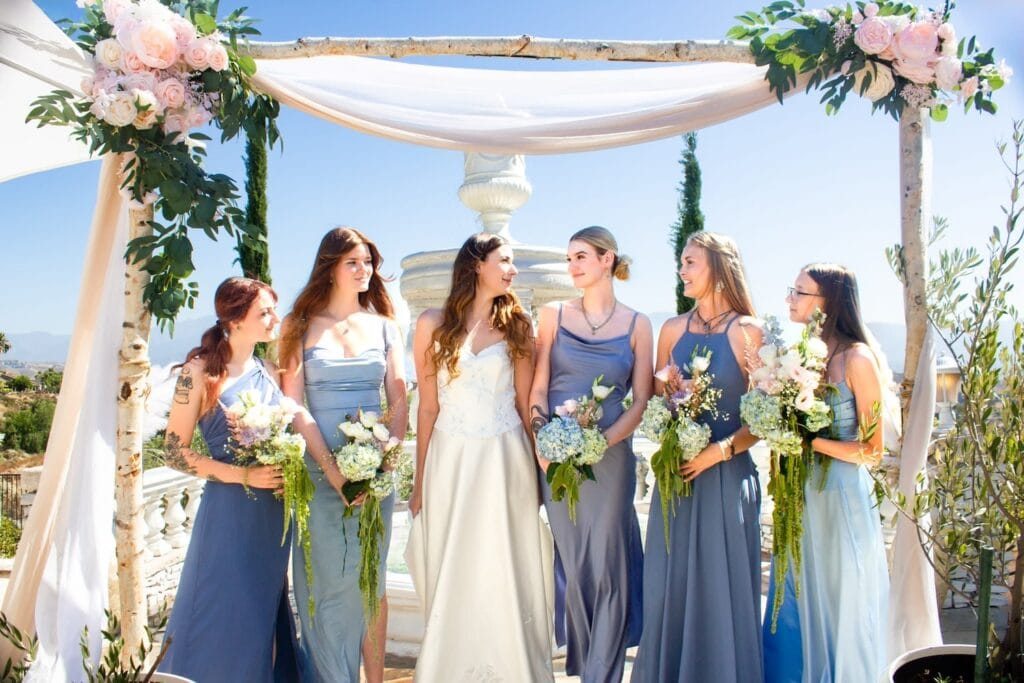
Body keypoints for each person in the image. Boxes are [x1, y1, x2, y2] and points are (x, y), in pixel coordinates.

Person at [405, 232, 555, 682]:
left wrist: (541, 469)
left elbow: (526, 405)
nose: (513, 270)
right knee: (455, 557)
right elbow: (427, 406)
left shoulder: (518, 324)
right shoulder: (432, 323)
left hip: (504, 456)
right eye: (505, 261)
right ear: (476, 264)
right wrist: (418, 482)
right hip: (450, 457)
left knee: (503, 556)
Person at [632, 232, 764, 683]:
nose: (681, 271)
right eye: (681, 263)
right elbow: (656, 402)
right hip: (677, 480)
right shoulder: (672, 330)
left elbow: (765, 418)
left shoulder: (749, 332)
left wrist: (720, 451)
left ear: (719, 269)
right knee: (671, 586)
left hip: (727, 481)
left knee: (720, 591)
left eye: (690, 263)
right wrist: (674, 435)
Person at [278, 227, 407, 683]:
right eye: (353, 262)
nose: (364, 270)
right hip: (318, 472)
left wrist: (388, 452)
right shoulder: (297, 325)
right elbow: (293, 405)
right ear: (329, 266)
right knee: (326, 584)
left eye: (368, 262)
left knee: (372, 580)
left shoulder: (386, 326)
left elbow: (398, 395)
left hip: (376, 473)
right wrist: (333, 471)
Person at [159, 277, 299, 683]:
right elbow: (173, 451)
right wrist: (244, 476)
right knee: (218, 607)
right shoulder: (198, 372)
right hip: (228, 513)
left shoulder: (270, 370)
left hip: (273, 515)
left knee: (263, 613)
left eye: (273, 309)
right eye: (264, 312)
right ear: (235, 320)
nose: (274, 319)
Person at [529, 226, 652, 683]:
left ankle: (603, 674)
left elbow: (639, 400)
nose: (573, 266)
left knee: (609, 563)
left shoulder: (639, 324)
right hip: (556, 460)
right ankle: (587, 666)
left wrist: (602, 442)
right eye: (569, 259)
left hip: (612, 460)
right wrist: (545, 442)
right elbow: (539, 386)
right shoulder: (552, 315)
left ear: (607, 260)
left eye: (581, 256)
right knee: (575, 562)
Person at [762, 263, 890, 683]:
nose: (789, 299)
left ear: (828, 302)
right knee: (797, 598)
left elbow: (873, 451)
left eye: (798, 292)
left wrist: (808, 442)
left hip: (842, 499)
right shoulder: (800, 359)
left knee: (842, 604)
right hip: (802, 498)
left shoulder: (857, 359)